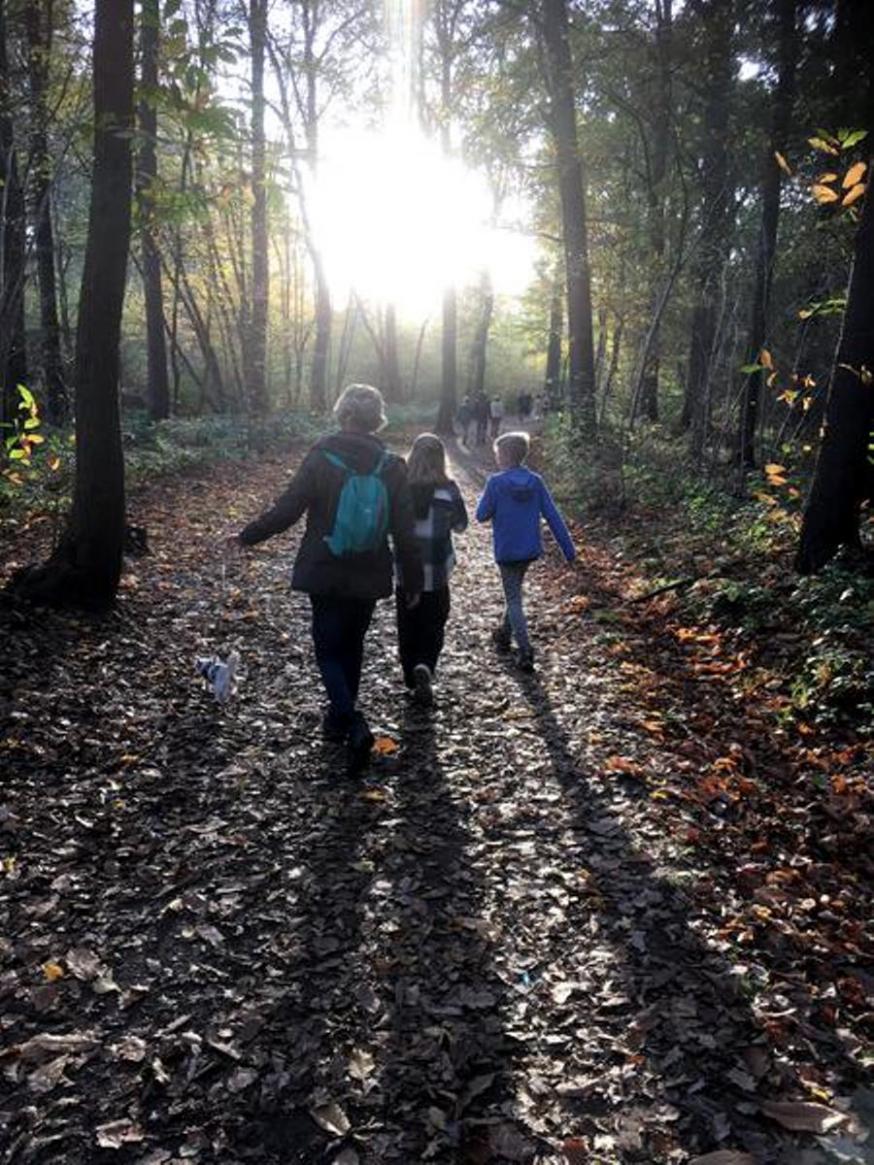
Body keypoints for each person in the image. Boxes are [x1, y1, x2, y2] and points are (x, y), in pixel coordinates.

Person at [226, 383, 423, 772]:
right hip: (369, 569)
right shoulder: (392, 466)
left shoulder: (322, 456)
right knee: (353, 643)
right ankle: (338, 718)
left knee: (328, 647)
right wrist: (413, 579)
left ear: (343, 414)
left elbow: (289, 508)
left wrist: (249, 535)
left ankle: (350, 720)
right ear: (377, 418)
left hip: (325, 566)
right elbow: (405, 529)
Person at [475, 431, 575, 672]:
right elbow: (552, 515)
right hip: (529, 549)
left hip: (507, 550)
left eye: (498, 454)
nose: (497, 458)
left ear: (504, 455)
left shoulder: (496, 483)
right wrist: (569, 550)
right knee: (515, 592)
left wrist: (496, 505)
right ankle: (503, 633)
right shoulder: (536, 481)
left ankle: (525, 650)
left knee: (513, 598)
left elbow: (481, 515)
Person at [395, 434, 468, 706]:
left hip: (406, 572)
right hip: (436, 572)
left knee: (407, 624)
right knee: (435, 622)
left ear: (413, 456)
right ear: (441, 458)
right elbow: (461, 526)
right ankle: (425, 664)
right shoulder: (449, 490)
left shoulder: (401, 488)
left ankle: (410, 676)